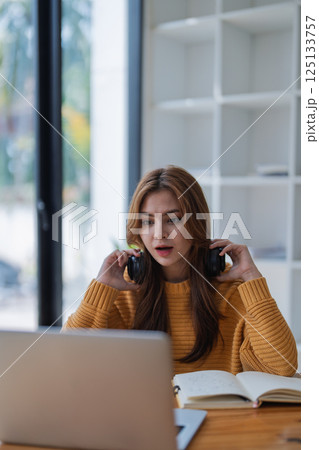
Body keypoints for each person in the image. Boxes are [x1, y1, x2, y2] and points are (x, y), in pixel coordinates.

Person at [63, 166, 298, 376]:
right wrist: (101, 290)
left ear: (197, 224)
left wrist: (251, 277)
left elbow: (282, 366)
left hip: (220, 421)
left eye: (173, 220)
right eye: (147, 222)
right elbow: (67, 361)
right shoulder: (122, 292)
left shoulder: (234, 291)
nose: (159, 234)